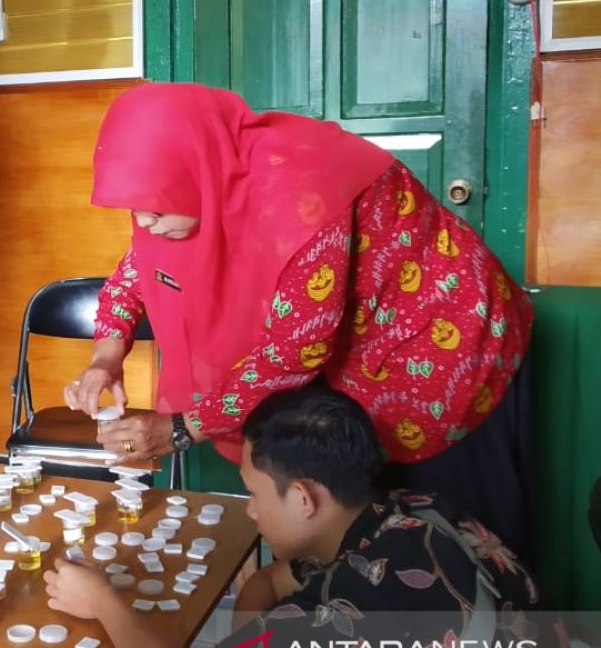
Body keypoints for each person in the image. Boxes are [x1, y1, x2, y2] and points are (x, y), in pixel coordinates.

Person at [64, 83, 534, 558]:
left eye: (156, 207)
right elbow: (135, 273)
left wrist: (180, 428)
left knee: (459, 538)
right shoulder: (197, 182)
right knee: (373, 533)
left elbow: (292, 353)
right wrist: (106, 357)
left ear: (197, 169)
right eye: (134, 206)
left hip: (443, 348)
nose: (144, 222)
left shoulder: (303, 194)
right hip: (354, 366)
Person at [45, 386, 578, 648]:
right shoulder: (415, 513)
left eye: (253, 494)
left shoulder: (348, 610)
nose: (250, 511)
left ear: (303, 498)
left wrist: (103, 602)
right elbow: (264, 580)